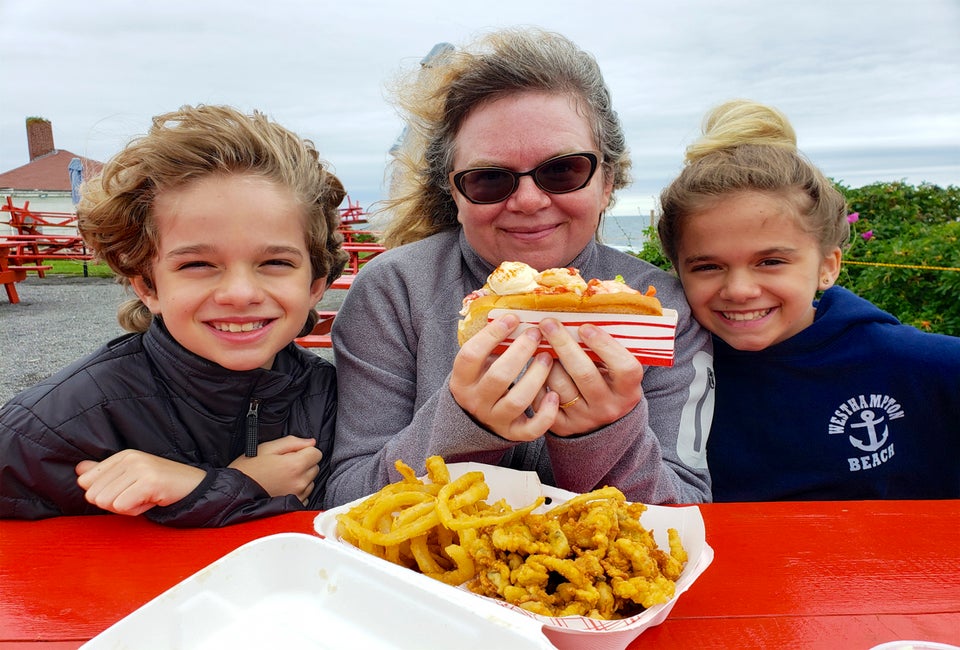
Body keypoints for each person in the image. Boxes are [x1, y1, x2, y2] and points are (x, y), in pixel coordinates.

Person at [325, 29, 715, 508]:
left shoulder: (660, 305)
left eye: (563, 170)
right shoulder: (395, 291)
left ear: (607, 181)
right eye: (490, 178)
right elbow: (344, 499)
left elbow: (689, 509)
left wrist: (606, 434)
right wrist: (464, 426)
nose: (529, 201)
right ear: (454, 192)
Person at [0, 105, 349, 525]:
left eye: (275, 262)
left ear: (315, 285)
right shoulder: (56, 422)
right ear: (147, 286)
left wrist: (210, 489)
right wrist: (235, 486)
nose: (240, 294)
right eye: (197, 265)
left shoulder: (332, 397)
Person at [657, 99, 960, 501]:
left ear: (827, 266)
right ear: (678, 272)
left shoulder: (926, 369)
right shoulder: (664, 380)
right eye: (707, 267)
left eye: (771, 261)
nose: (740, 290)